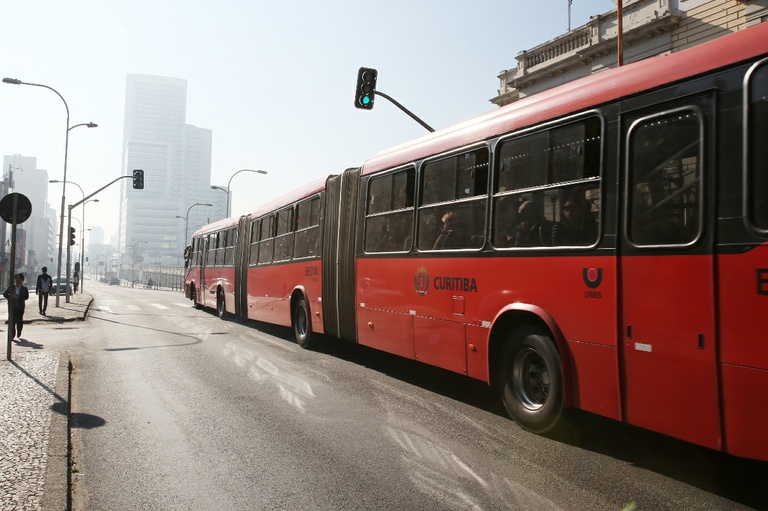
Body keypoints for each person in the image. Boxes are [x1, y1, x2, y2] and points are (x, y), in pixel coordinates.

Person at [4, 273, 30, 339]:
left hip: (20, 307)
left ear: (22, 279)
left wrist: (19, 298)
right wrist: (11, 298)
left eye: (19, 278)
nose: (17, 279)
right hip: (12, 307)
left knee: (19, 321)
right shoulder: (11, 287)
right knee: (12, 321)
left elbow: (26, 297)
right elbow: (5, 294)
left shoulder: (24, 288)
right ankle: (12, 334)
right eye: (16, 278)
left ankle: (19, 331)